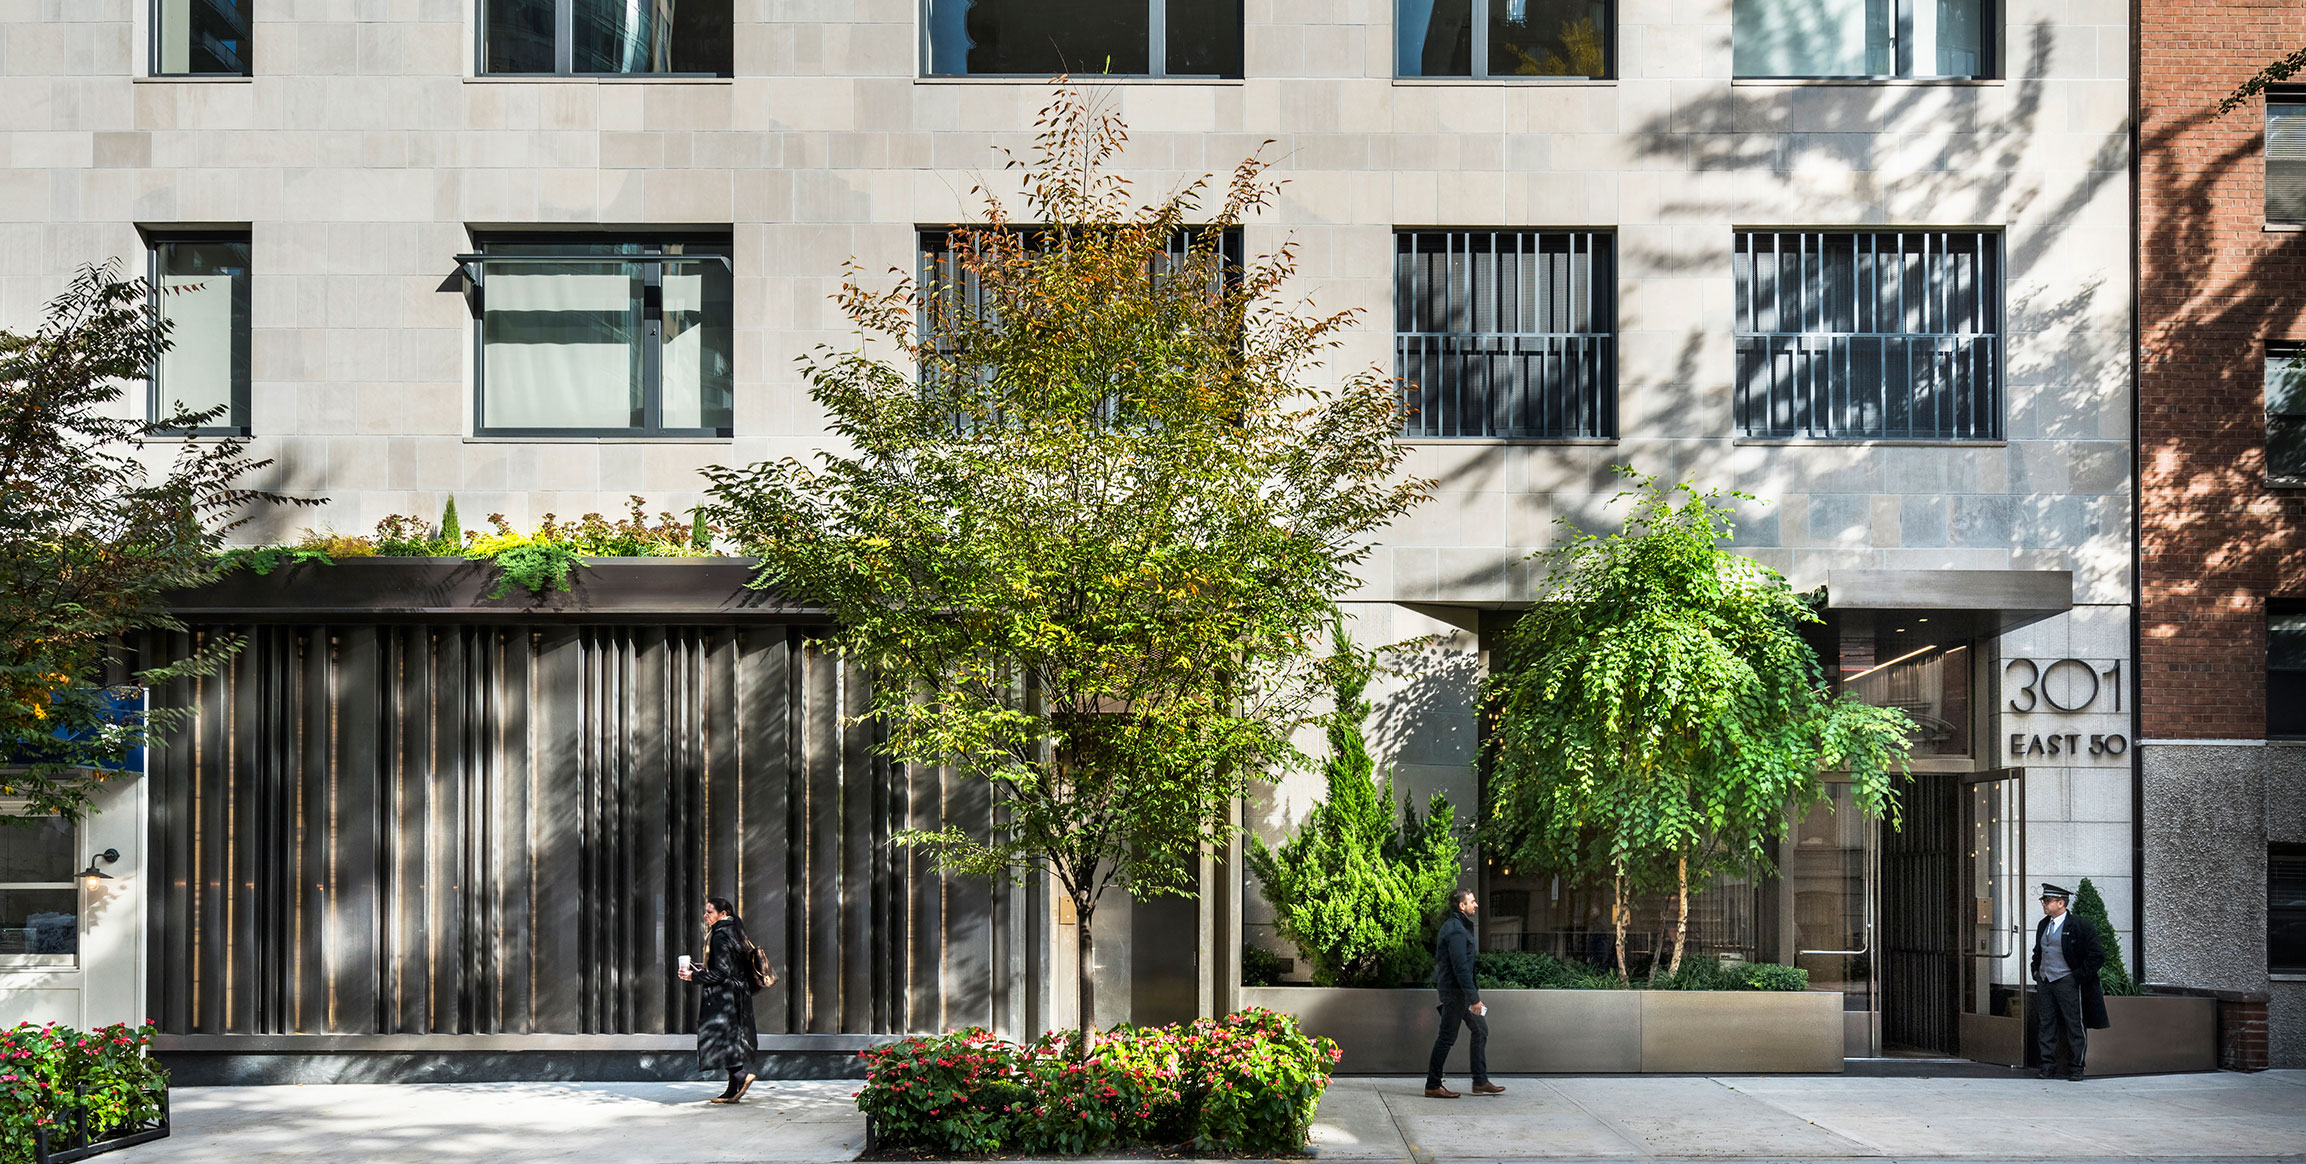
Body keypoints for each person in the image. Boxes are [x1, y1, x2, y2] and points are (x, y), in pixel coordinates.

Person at [678, 896, 762, 1103]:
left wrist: (693, 976)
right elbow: (730, 965)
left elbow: (721, 973)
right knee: (730, 1038)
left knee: (720, 1037)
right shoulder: (734, 931)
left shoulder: (720, 935)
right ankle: (732, 1091)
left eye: (709, 912)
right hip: (737, 994)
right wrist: (705, 966)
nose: (705, 915)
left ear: (722, 914)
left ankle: (741, 1077)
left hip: (724, 997)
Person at [1424, 888, 1504, 1099]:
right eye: (1472, 901)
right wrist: (1474, 999)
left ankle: (1480, 1081)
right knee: (1446, 1038)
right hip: (1455, 994)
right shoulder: (1456, 931)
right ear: (1462, 905)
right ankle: (1433, 1085)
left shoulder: (1459, 927)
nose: (1476, 905)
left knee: (1480, 1029)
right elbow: (1461, 968)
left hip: (1461, 994)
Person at [2030, 882, 2109, 1081]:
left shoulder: (2080, 926)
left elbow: (2097, 955)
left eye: (2047, 900)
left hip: (2067, 981)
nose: (2044, 904)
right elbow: (2038, 951)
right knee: (2046, 1024)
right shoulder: (2043, 925)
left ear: (2061, 903)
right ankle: (2047, 1065)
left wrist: (2077, 976)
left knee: (2074, 1024)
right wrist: (2036, 971)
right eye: (2043, 900)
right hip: (2045, 980)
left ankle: (2077, 1067)